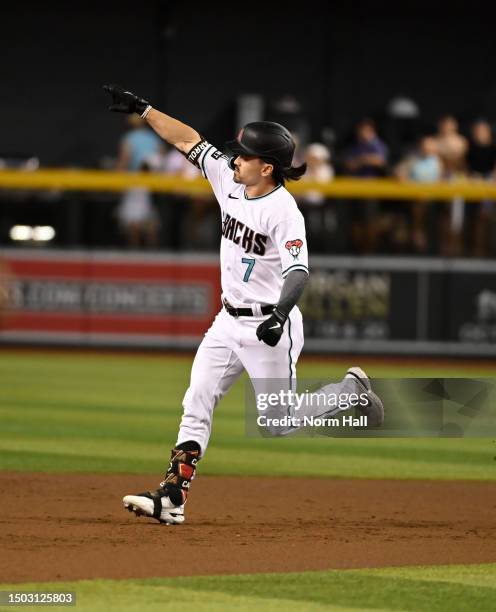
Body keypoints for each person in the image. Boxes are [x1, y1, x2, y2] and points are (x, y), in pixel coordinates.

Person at [103, 84, 384, 525]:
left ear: (266, 167)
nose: (234, 159)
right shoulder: (228, 180)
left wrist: (280, 313)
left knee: (278, 423)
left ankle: (349, 392)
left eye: (244, 155)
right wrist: (144, 108)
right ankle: (172, 496)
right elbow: (186, 139)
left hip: (269, 327)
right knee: (196, 400)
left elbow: (298, 272)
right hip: (226, 321)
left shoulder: (284, 211)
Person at [395, 136, 442, 253]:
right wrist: (409, 185)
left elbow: (442, 180)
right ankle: (417, 240)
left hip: (434, 200)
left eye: (430, 146)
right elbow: (399, 173)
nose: (427, 149)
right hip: (414, 198)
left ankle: (428, 244)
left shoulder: (438, 161)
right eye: (425, 146)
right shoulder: (413, 159)